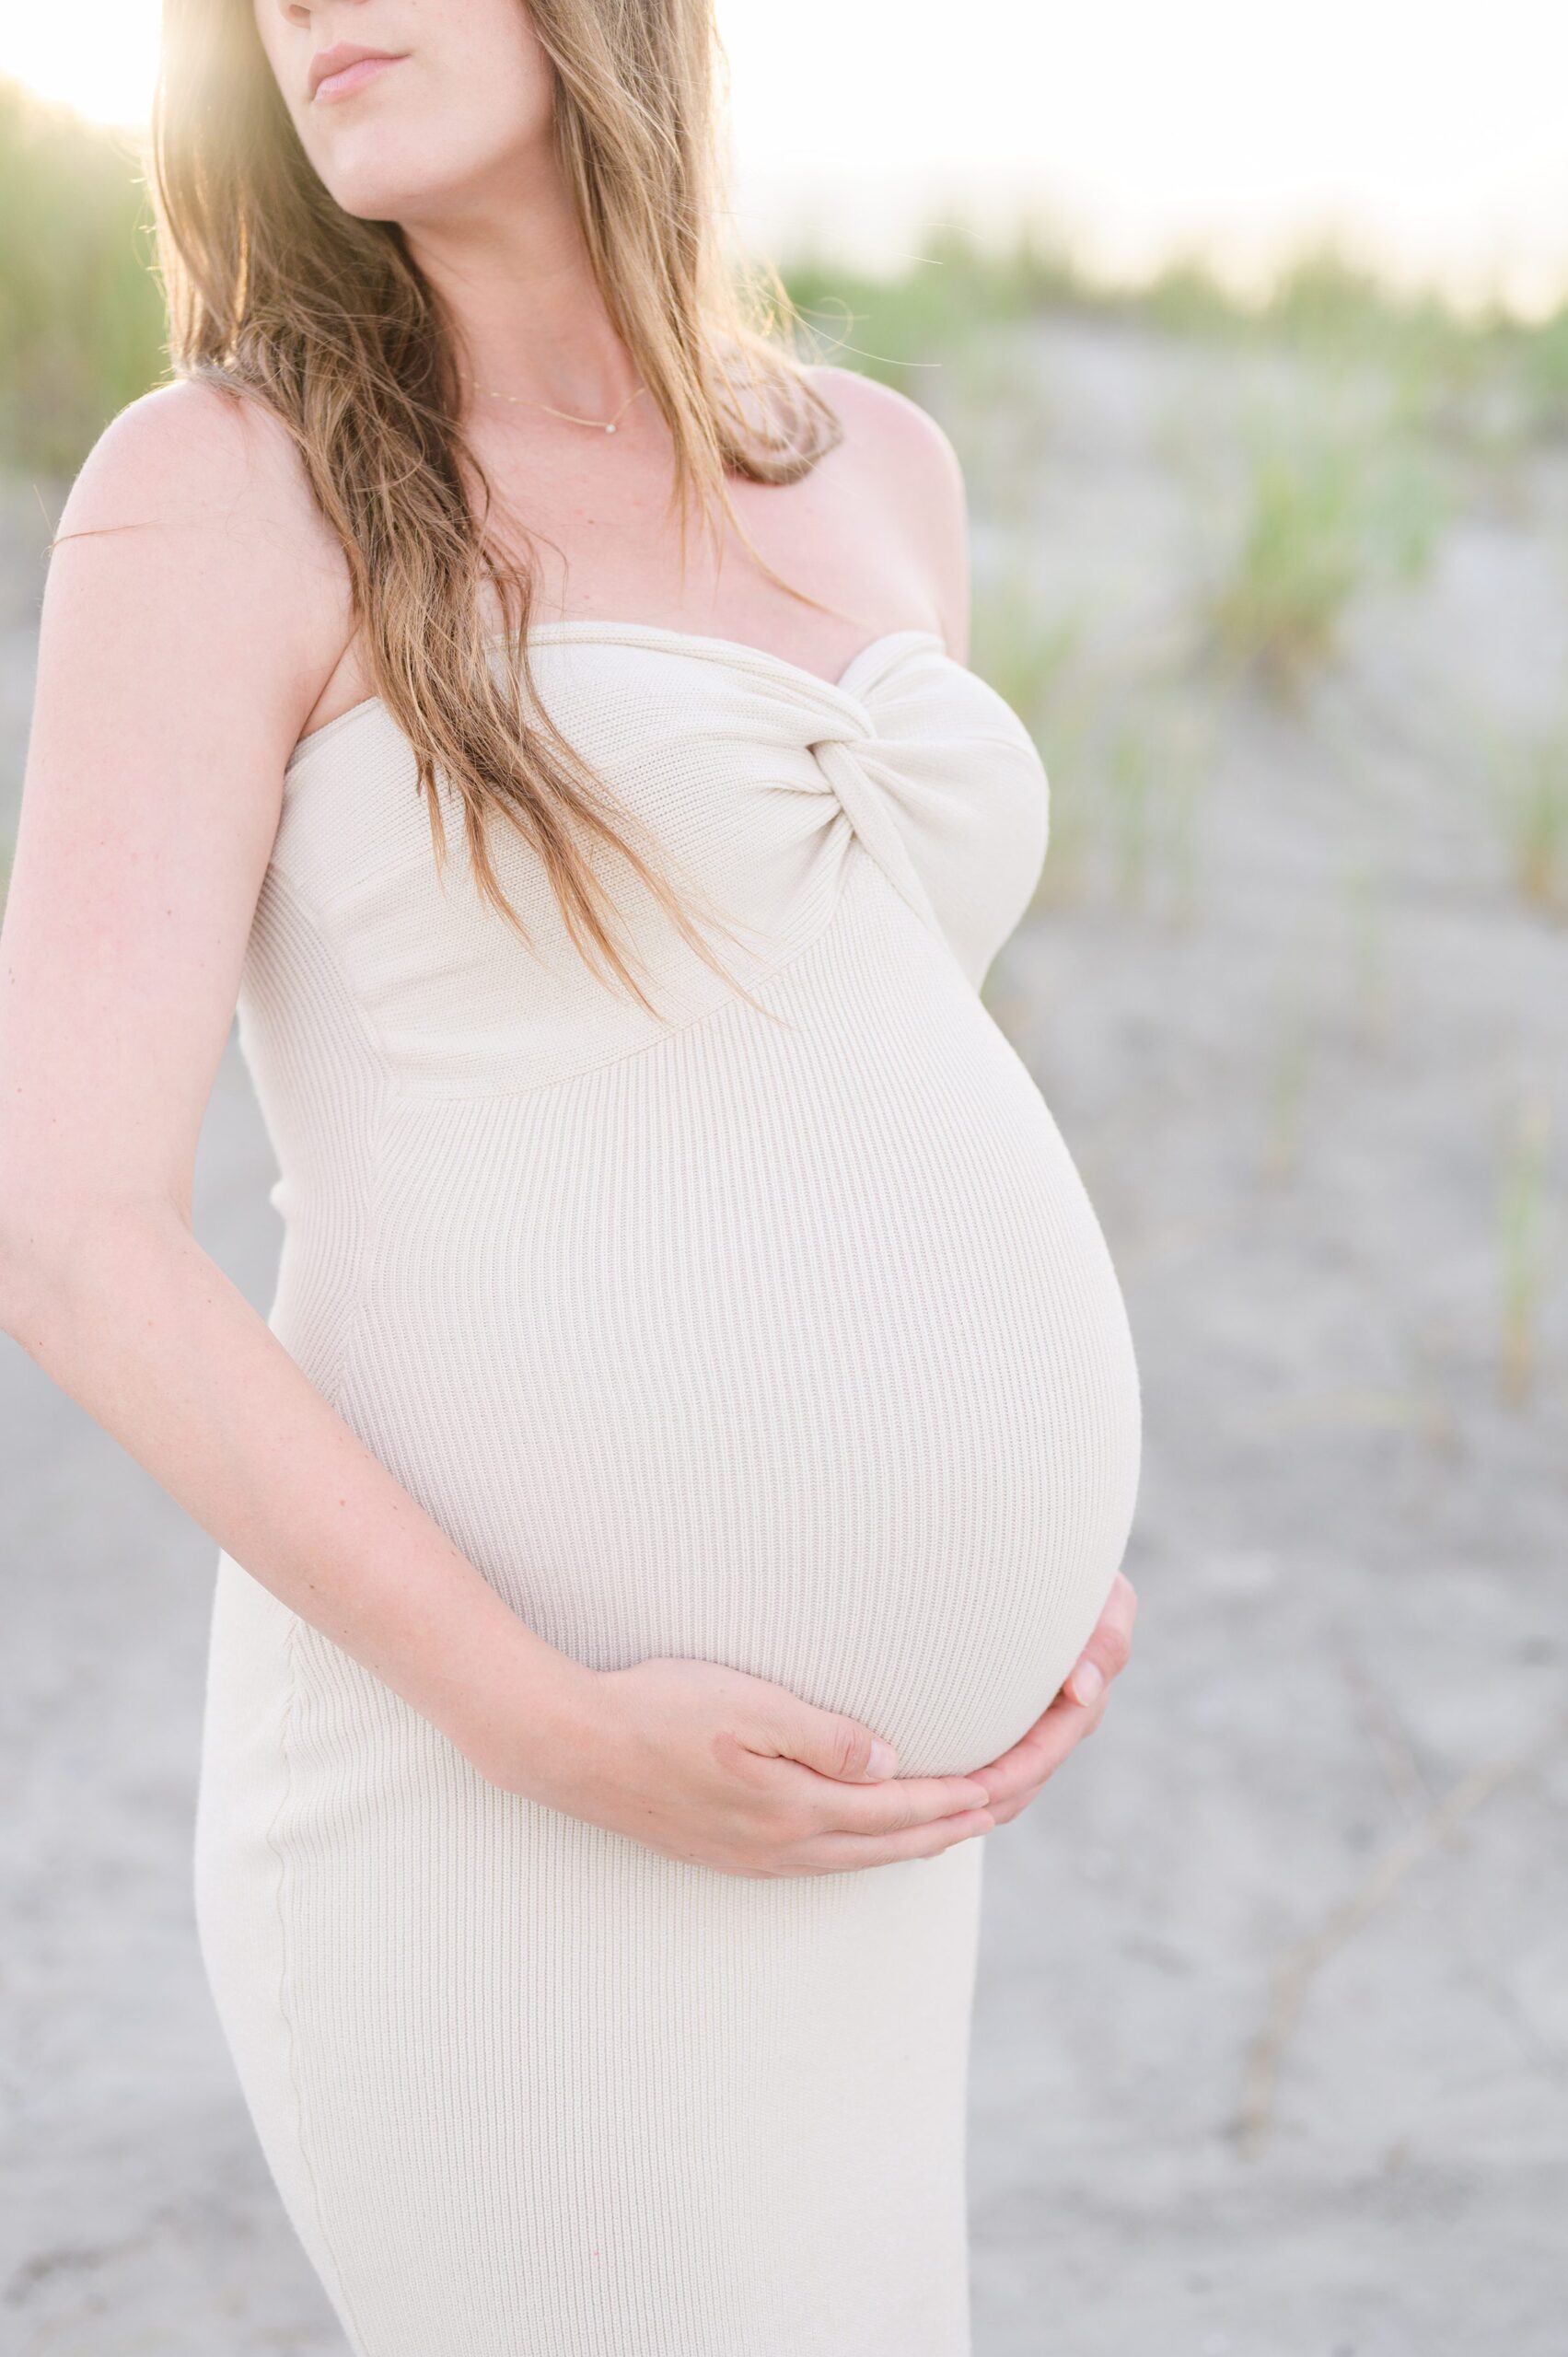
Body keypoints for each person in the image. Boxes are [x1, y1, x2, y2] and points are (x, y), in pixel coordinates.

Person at [0, 2, 1143, 2351]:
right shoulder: (225, 483)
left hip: (859, 1818)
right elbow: (67, 1225)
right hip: (494, 1797)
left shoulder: (883, 469)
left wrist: (1019, 1529)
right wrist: (532, 1708)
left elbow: (827, 1034)